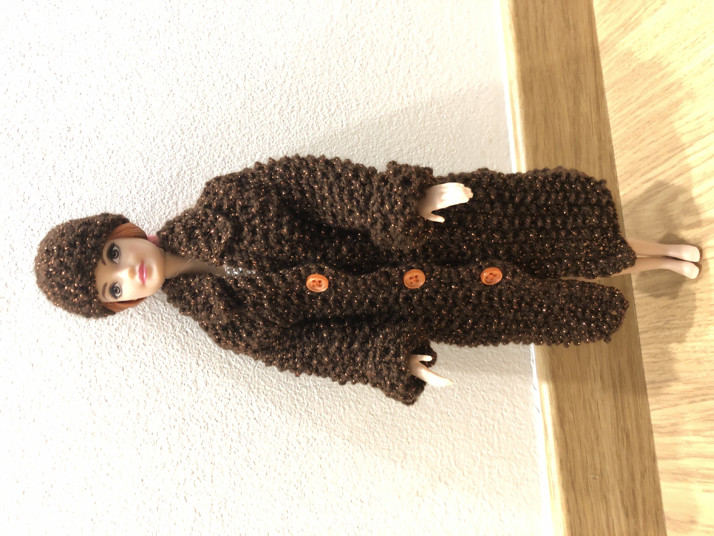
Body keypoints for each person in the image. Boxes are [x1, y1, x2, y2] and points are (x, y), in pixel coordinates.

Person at [35, 155, 700, 404]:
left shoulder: (227, 200)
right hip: (431, 301)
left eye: (112, 255)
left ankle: (654, 255)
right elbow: (318, 352)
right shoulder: (228, 324)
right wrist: (386, 358)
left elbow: (314, 185)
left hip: (418, 233)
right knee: (527, 301)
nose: (127, 273)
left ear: (121, 230)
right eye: (112, 288)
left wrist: (391, 203)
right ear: (122, 307)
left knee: (542, 233)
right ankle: (642, 270)